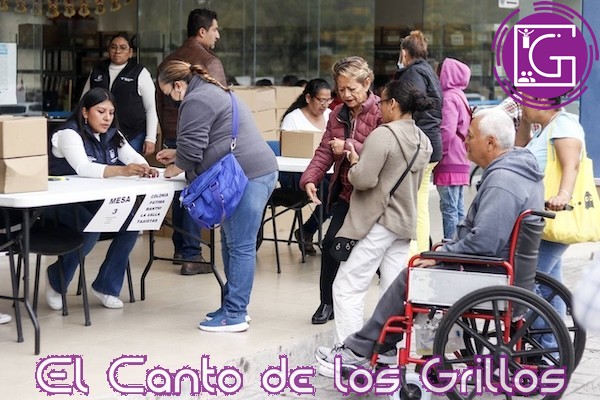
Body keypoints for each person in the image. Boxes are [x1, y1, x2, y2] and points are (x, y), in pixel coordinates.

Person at [315, 107, 544, 374]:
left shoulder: (503, 181)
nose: (465, 141)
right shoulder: (517, 171)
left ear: (491, 142)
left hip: (489, 273)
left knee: (411, 276)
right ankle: (384, 347)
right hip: (498, 270)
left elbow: (484, 241)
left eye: (470, 136)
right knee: (419, 269)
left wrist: (443, 255)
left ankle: (361, 349)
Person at [155, 61, 278, 332]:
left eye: (169, 94)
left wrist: (173, 167)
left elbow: (193, 150)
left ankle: (235, 313)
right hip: (252, 173)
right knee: (231, 244)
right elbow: (214, 137)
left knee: (240, 246)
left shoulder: (196, 99)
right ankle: (231, 306)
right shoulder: (214, 90)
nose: (172, 100)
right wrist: (177, 154)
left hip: (247, 176)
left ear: (178, 85)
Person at [331, 80, 433, 344]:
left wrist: (355, 165)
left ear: (393, 104)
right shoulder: (423, 140)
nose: (379, 107)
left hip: (378, 222)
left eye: (382, 102)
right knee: (391, 294)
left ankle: (350, 351)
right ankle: (387, 352)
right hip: (404, 224)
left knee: (347, 287)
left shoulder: (383, 135)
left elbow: (364, 179)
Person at [47, 87, 159, 310]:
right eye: (101, 111)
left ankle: (106, 286)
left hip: (94, 200)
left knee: (132, 223)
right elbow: (83, 167)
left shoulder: (113, 135)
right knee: (91, 229)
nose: (107, 118)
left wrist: (145, 168)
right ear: (85, 112)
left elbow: (133, 157)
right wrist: (123, 170)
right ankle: (56, 279)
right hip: (60, 203)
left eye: (111, 112)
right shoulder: (69, 134)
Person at [299, 56, 383, 325]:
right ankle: (327, 302)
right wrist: (311, 177)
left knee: (380, 257)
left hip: (374, 197)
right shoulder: (337, 114)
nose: (346, 95)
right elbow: (325, 150)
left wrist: (348, 146)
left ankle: (395, 307)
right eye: (341, 89)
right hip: (347, 194)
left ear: (366, 83)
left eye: (352, 89)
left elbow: (385, 152)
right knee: (330, 244)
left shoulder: (382, 112)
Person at [156, 8, 226, 275]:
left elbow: (159, 103)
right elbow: (220, 103)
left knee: (180, 192)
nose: (217, 35)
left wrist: (168, 134)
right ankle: (191, 254)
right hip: (200, 136)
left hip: (173, 133)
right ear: (202, 31)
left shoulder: (168, 61)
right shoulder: (209, 62)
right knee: (195, 190)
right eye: (215, 29)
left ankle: (180, 249)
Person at [517, 95, 585, 349]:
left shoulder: (564, 124)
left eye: (525, 98)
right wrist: (525, 122)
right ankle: (553, 348)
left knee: (528, 281)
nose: (521, 102)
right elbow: (516, 153)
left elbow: (571, 165)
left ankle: (547, 347)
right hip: (541, 220)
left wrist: (562, 195)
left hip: (552, 215)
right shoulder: (544, 129)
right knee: (549, 285)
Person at [395, 30, 443, 253]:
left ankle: (412, 254)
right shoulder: (429, 72)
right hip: (430, 143)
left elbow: (412, 106)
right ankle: (420, 252)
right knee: (420, 203)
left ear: (405, 53)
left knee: (412, 204)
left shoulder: (413, 73)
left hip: (418, 145)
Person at [81, 32, 158, 156]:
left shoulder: (139, 72)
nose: (117, 51)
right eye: (113, 47)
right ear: (108, 50)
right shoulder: (98, 70)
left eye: (123, 48)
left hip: (132, 134)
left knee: (129, 166)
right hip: (101, 134)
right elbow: (84, 101)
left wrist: (150, 138)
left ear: (130, 52)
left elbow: (151, 107)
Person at [280, 78, 333, 255]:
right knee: (331, 191)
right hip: (297, 176)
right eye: (321, 100)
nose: (325, 105)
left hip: (325, 172)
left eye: (328, 100)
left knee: (340, 188)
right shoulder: (293, 119)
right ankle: (308, 231)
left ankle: (309, 231)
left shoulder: (331, 116)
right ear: (309, 98)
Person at [433, 58, 471, 240]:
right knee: (459, 209)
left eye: (439, 72)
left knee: (449, 209)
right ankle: (461, 246)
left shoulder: (448, 97)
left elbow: (446, 131)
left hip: (448, 161)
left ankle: (450, 249)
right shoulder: (460, 95)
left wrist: (436, 153)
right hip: (460, 158)